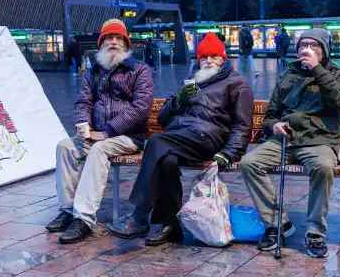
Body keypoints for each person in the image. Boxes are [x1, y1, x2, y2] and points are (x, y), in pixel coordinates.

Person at [107, 33, 252, 245]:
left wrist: (230, 153)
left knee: (156, 142)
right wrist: (178, 100)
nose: (208, 61)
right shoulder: (192, 80)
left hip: (208, 138)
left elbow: (243, 124)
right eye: (204, 57)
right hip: (180, 137)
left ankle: (139, 215)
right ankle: (169, 225)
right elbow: (163, 119)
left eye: (214, 56)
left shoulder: (236, 83)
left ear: (223, 58)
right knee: (167, 160)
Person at [240, 29, 340, 258]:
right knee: (250, 163)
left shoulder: (338, 74)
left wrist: (317, 69)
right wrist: (274, 126)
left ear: (324, 50)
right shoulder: (287, 75)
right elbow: (271, 114)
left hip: (318, 140)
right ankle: (277, 224)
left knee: (323, 166)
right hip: (286, 138)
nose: (306, 49)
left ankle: (315, 233)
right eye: (303, 45)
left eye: (313, 45)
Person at [46, 19, 153, 244]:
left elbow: (141, 108)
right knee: (65, 146)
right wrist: (83, 122)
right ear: (101, 43)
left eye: (118, 39)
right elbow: (82, 102)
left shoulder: (140, 70)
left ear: (126, 44)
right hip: (97, 133)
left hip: (127, 136)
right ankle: (67, 210)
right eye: (109, 38)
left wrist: (107, 131)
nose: (113, 42)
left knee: (100, 150)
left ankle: (83, 218)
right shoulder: (93, 72)